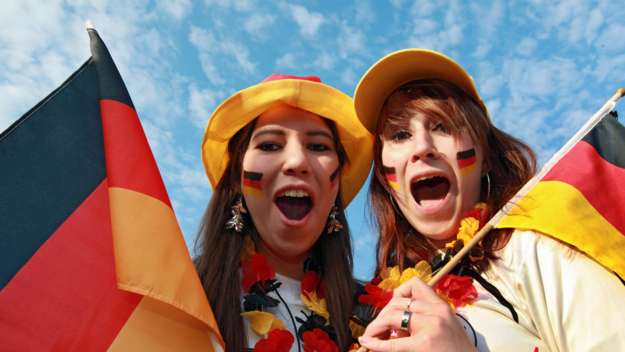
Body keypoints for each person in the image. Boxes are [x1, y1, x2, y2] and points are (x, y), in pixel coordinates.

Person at [351, 49, 625, 351]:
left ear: (486, 157)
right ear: (384, 179)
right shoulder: (370, 315)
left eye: (442, 126)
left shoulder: (534, 249)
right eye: (400, 135)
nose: (422, 148)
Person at [194, 74, 373, 351]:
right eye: (269, 145)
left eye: (318, 147)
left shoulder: (378, 316)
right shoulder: (180, 298)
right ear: (236, 178)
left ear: (336, 185)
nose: (297, 162)